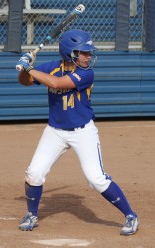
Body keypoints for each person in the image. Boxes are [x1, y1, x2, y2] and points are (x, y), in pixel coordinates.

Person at [16, 29, 139, 236]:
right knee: (34, 173)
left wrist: (29, 67)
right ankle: (31, 214)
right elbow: (24, 81)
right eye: (82, 52)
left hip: (83, 132)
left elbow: (55, 83)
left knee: (96, 179)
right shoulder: (52, 68)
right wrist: (25, 68)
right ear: (68, 52)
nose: (87, 56)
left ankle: (130, 215)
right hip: (55, 131)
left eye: (88, 53)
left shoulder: (86, 73)